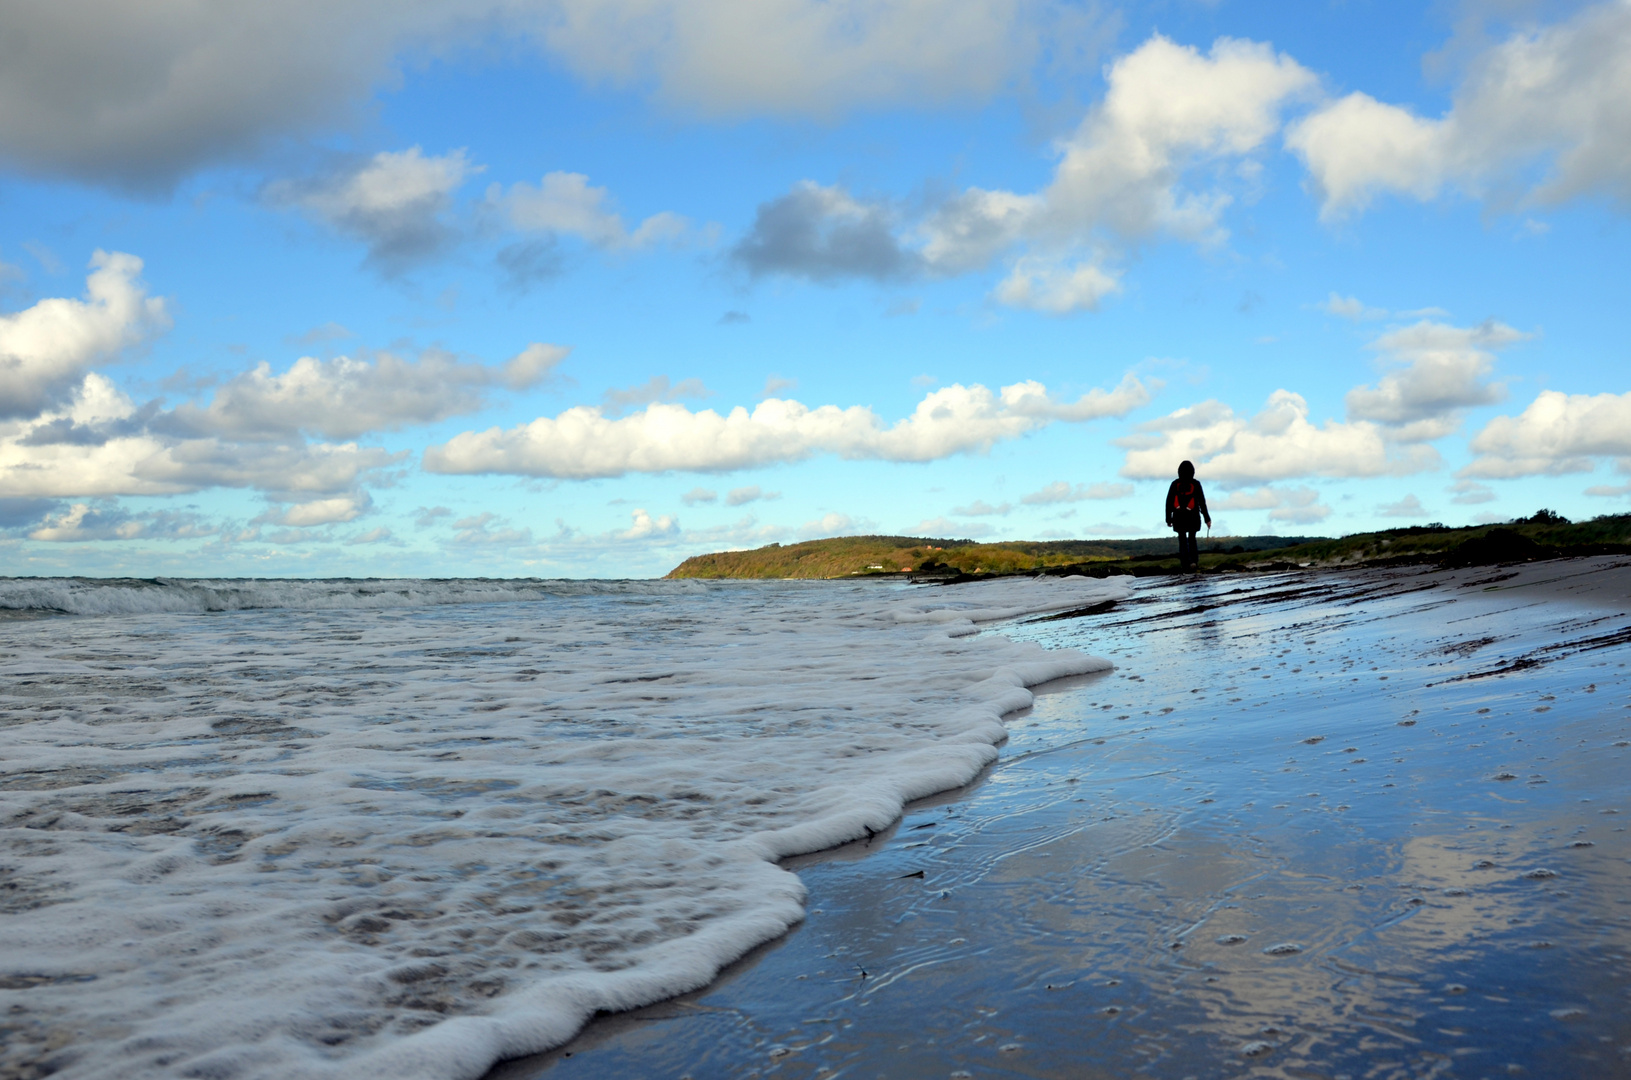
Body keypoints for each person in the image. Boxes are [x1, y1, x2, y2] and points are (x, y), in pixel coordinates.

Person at [1165, 460, 1211, 573]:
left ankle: (1185, 564)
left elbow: (1169, 501)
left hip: (1178, 517)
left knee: (1182, 540)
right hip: (1193, 517)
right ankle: (1194, 562)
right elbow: (1202, 502)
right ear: (1193, 471)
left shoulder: (1174, 484)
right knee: (1192, 539)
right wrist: (1207, 519)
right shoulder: (1196, 484)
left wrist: (1168, 518)